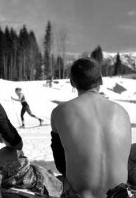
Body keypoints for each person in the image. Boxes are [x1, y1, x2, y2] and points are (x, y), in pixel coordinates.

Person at [50, 57, 132, 198]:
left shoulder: (60, 112)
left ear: (72, 82)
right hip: (119, 194)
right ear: (100, 80)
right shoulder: (122, 112)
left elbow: (61, 164)